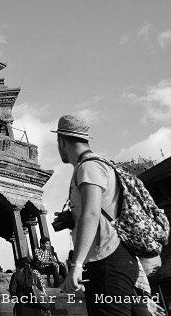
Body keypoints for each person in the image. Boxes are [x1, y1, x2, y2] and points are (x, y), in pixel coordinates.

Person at [55, 115, 138, 316]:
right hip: (115, 260)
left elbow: (91, 213)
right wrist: (71, 219)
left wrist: (76, 265)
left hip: (107, 262)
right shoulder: (99, 165)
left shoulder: (88, 167)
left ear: (62, 141)